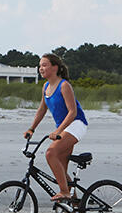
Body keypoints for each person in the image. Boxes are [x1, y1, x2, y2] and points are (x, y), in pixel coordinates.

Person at [24, 52, 88, 204]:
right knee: (61, 169)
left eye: (44, 65)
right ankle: (75, 204)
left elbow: (72, 112)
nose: (41, 68)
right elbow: (42, 109)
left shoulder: (64, 85)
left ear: (55, 67)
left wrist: (58, 131)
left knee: (50, 153)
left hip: (76, 124)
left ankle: (64, 192)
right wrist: (32, 129)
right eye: (40, 66)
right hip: (64, 128)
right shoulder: (46, 86)